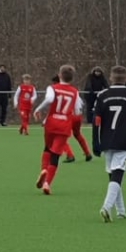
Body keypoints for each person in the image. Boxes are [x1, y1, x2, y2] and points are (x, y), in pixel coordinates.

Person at [94, 66, 126, 222]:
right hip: (123, 139)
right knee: (117, 174)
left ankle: (121, 211)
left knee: (113, 175)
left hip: (106, 139)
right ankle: (106, 207)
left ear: (111, 78)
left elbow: (96, 121)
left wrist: (96, 142)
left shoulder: (102, 94)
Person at [32, 65, 85, 194]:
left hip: (51, 124)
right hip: (64, 125)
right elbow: (78, 110)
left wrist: (38, 109)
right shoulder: (75, 92)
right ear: (72, 78)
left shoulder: (52, 88)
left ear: (59, 75)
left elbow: (49, 99)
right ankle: (47, 183)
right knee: (55, 155)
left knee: (47, 148)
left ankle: (44, 169)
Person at [82, 65, 107, 148]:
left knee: (98, 109)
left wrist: (106, 89)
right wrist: (90, 90)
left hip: (98, 95)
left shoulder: (102, 78)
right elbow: (88, 84)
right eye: (96, 72)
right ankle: (89, 121)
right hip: (90, 95)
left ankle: (98, 121)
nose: (97, 73)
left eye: (99, 72)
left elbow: (105, 84)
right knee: (89, 108)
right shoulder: (90, 77)